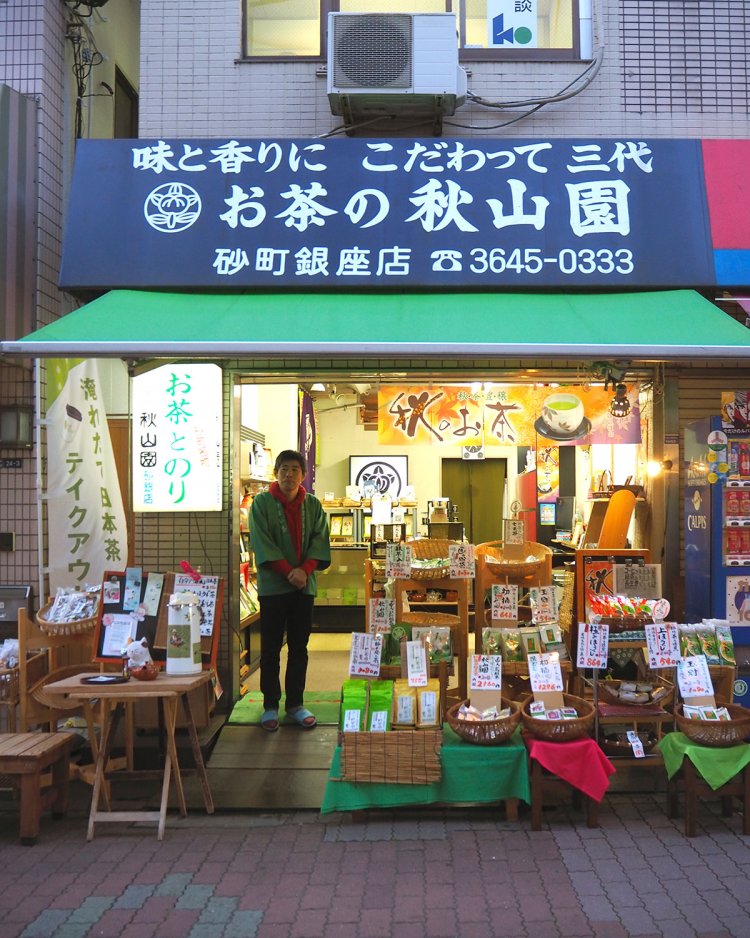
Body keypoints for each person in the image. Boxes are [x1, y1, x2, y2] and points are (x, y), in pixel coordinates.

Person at [249, 449, 331, 732]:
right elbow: (262, 541)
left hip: (303, 586)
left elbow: (320, 538)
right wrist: (288, 572)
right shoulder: (261, 503)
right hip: (274, 587)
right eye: (284, 468)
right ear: (276, 472)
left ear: (303, 474)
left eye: (294, 469)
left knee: (299, 646)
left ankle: (295, 704)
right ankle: (270, 705)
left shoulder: (313, 505)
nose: (289, 474)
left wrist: (304, 571)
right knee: (270, 648)